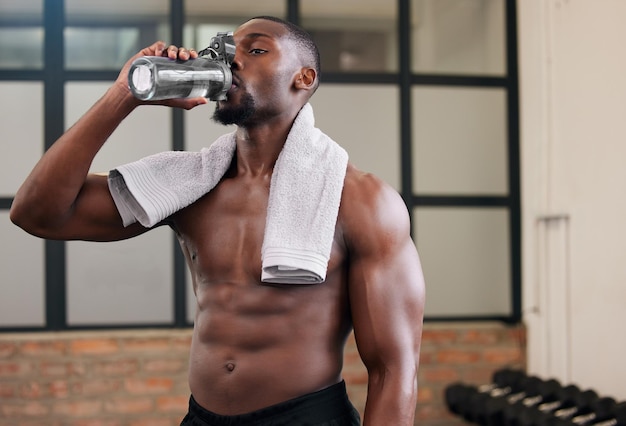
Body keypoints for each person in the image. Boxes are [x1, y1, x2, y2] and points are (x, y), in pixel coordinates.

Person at [10, 16, 425, 426]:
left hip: (306, 417)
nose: (231, 62)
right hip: (203, 418)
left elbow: (393, 369)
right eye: (225, 51)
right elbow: (38, 213)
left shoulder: (360, 200)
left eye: (256, 49)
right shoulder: (190, 186)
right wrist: (125, 94)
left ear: (304, 77)